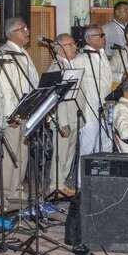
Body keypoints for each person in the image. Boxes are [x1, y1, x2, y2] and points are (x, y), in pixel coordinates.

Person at [0, 16, 39, 202]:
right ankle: (4, 193)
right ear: (12, 33)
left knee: (22, 153)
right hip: (14, 113)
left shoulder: (22, 52)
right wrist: (10, 115)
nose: (27, 31)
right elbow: (4, 87)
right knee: (10, 154)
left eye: (26, 28)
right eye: (23, 29)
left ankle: (16, 189)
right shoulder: (4, 54)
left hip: (27, 110)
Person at [72, 24, 114, 158]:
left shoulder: (103, 56)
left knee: (107, 144)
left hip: (106, 107)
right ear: (89, 39)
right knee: (88, 146)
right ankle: (82, 179)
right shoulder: (80, 59)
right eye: (101, 35)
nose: (104, 38)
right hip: (90, 111)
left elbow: (109, 78)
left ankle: (101, 178)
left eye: (104, 35)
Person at [46, 33, 79, 195]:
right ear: (58, 48)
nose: (74, 47)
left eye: (74, 44)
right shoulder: (56, 67)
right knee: (61, 153)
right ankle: (55, 186)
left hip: (74, 117)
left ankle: (63, 183)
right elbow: (55, 100)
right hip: (63, 119)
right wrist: (61, 122)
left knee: (69, 154)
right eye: (69, 45)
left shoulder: (70, 64)